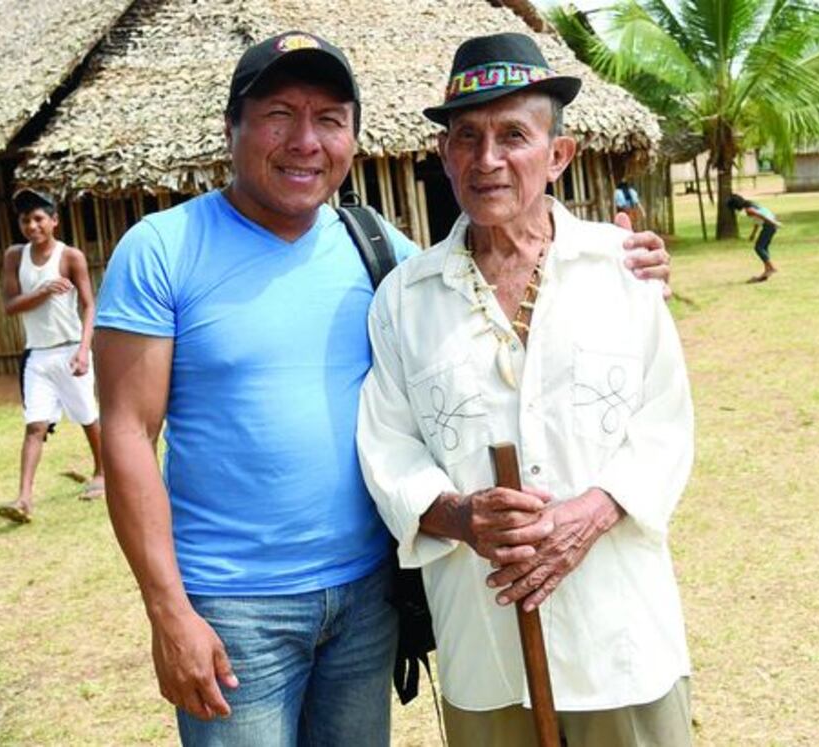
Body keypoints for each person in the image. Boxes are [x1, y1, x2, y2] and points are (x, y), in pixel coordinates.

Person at [93, 31, 672, 746]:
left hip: (366, 599)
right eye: (279, 115)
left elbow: (483, 279)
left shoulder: (377, 252)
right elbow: (126, 432)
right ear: (230, 128)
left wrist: (623, 263)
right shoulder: (163, 249)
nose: (306, 141)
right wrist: (168, 612)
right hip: (237, 608)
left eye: (330, 120)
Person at [357, 33, 694, 746]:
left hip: (619, 636)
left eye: (514, 135)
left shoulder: (622, 269)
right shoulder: (404, 299)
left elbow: (665, 423)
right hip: (484, 644)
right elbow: (387, 446)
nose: (488, 159)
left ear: (558, 154)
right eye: (467, 137)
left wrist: (593, 512)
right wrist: (460, 517)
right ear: (444, 154)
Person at [0, 188, 103, 524]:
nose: (32, 226)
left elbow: (89, 306)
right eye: (25, 220)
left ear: (54, 220)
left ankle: (102, 473)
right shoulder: (15, 256)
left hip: (71, 349)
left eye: (39, 218)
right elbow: (10, 306)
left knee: (88, 417)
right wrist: (43, 290)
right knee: (35, 426)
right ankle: (24, 498)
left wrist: (84, 350)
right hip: (37, 356)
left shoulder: (70, 257)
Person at [726, 193, 782, 283]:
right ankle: (767, 271)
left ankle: (771, 267)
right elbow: (757, 220)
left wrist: (774, 223)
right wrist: (753, 234)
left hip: (769, 226)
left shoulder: (749, 210)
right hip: (770, 225)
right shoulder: (751, 205)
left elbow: (762, 216)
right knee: (764, 247)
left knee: (758, 248)